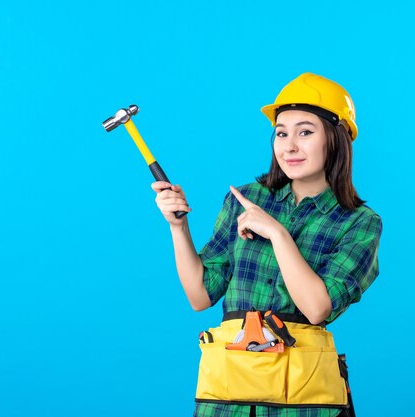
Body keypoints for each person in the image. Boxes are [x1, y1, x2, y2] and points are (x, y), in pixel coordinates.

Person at [151, 73, 382, 417]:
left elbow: (318, 307)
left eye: (305, 132)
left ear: (336, 139)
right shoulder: (247, 199)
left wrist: (278, 234)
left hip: (302, 402)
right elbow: (201, 296)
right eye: (281, 133)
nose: (289, 145)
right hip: (228, 398)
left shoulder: (358, 222)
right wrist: (178, 227)